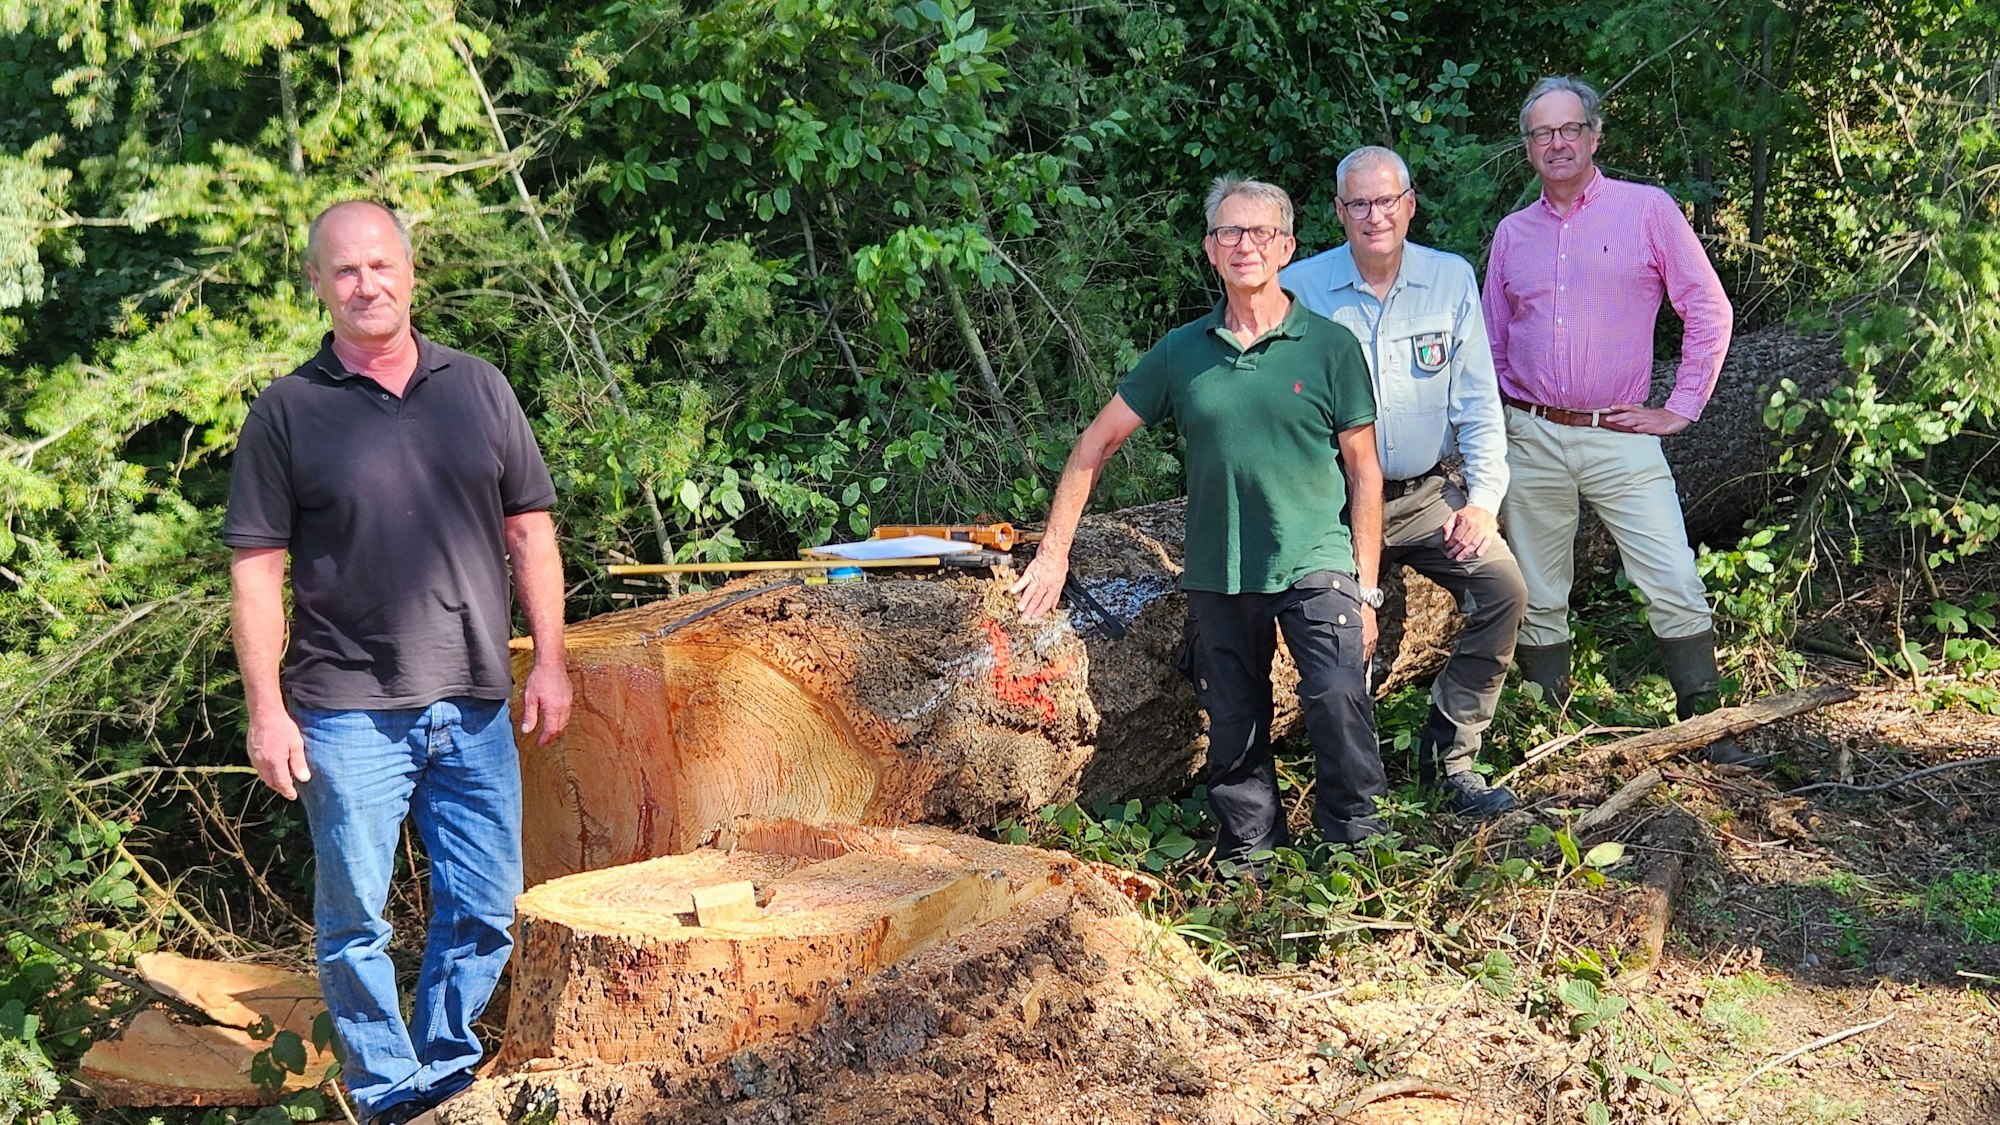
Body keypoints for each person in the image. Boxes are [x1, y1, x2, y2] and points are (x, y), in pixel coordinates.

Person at [224, 200, 574, 1124]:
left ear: (411, 273)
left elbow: (531, 533)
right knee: (353, 925)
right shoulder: (287, 413)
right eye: (345, 271)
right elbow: (256, 575)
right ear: (318, 285)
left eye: (381, 265)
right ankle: (389, 1096)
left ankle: (448, 1078)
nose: (366, 284)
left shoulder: (480, 389)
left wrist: (551, 662)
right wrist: (267, 709)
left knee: (489, 906)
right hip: (344, 710)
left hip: (476, 701)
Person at [1012, 176, 1387, 865]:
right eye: (1229, 233)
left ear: (1287, 247)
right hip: (1221, 565)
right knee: (1234, 723)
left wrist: (1367, 589)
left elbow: (1365, 472)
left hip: (1317, 556)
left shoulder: (1329, 347)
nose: (1245, 245)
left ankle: (1358, 849)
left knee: (1337, 694)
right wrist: (1054, 551)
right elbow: (1096, 444)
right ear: (1210, 251)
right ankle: (1252, 857)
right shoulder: (1182, 352)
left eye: (1260, 233)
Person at [1482, 76, 1749, 762]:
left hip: (1621, 434)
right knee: (1539, 592)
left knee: (1672, 576)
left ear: (1595, 136)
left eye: (1571, 129)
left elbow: (1709, 309)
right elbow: (1490, 340)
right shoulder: (1513, 234)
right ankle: (1555, 733)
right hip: (1532, 433)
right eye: (1543, 133)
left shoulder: (1648, 211)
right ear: (1528, 147)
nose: (1558, 143)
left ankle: (1705, 721)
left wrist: (1681, 407)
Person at [1282, 146, 1527, 817]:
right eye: (1358, 203)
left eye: (1385, 200)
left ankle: (1449, 757)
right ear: (1338, 212)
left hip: (1423, 494)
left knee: (1504, 589)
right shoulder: (1300, 288)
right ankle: (1356, 795)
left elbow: (1478, 403)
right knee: (1341, 628)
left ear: (1409, 204)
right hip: (1330, 502)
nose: (1373, 215)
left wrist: (1481, 502)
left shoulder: (1449, 280)